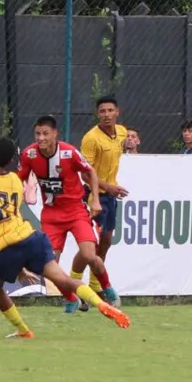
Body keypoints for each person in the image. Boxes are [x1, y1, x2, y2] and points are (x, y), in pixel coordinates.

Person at [0, 137, 131, 338]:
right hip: (30, 237)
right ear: (11, 160)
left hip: (3, 248)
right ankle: (101, 304)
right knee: (63, 279)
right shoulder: (14, 182)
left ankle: (23, 330)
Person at [16, 115, 119, 314]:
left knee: (90, 255)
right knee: (49, 265)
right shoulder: (29, 155)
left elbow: (90, 173)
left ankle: (108, 289)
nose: (41, 138)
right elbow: (18, 179)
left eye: (45, 133)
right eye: (37, 133)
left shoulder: (69, 152)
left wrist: (95, 199)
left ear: (55, 134)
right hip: (51, 215)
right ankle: (72, 299)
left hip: (75, 211)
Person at [70, 95, 128, 309]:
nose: (106, 115)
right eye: (102, 111)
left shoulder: (121, 132)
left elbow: (122, 142)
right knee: (90, 245)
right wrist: (107, 187)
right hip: (92, 194)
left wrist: (111, 189)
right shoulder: (90, 139)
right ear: (97, 114)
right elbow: (85, 174)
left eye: (110, 110)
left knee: (106, 240)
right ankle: (74, 286)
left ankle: (94, 287)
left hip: (111, 195)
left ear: (117, 112)